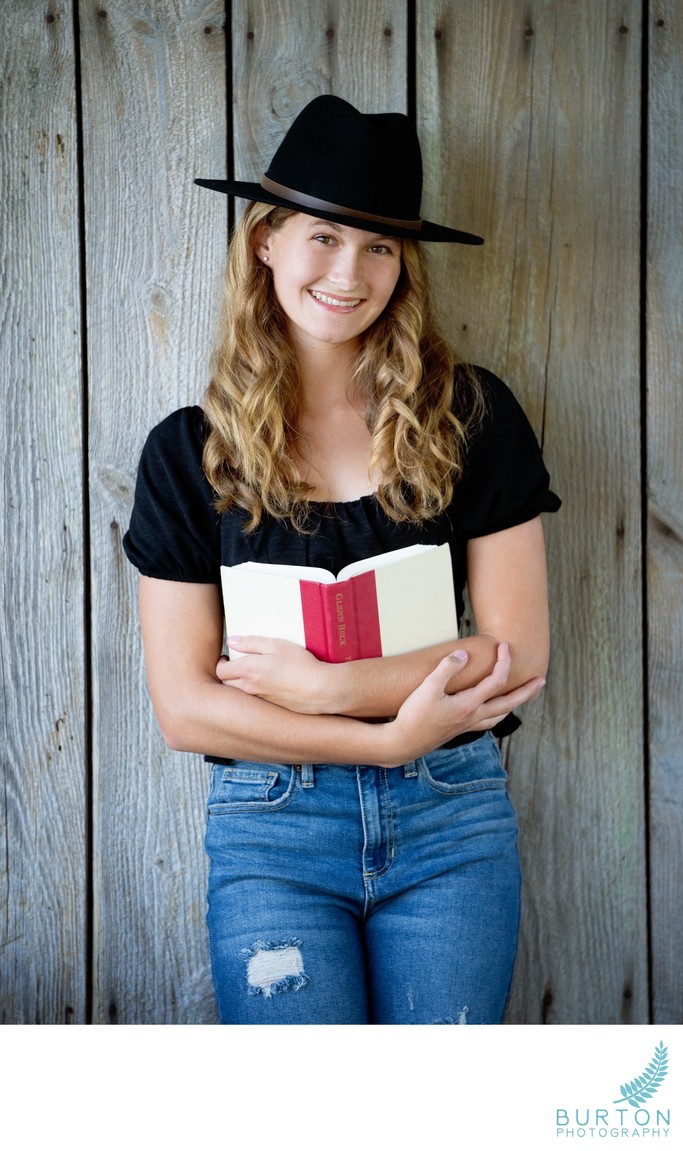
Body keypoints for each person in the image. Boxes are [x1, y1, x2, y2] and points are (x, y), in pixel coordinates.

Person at [123, 95, 561, 1024]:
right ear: (265, 243)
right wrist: (386, 733)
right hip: (273, 831)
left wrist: (330, 688)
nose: (349, 272)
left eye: (379, 247)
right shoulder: (185, 453)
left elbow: (515, 655)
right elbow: (186, 707)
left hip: (451, 819)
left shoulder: (470, 417)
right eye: (323, 236)